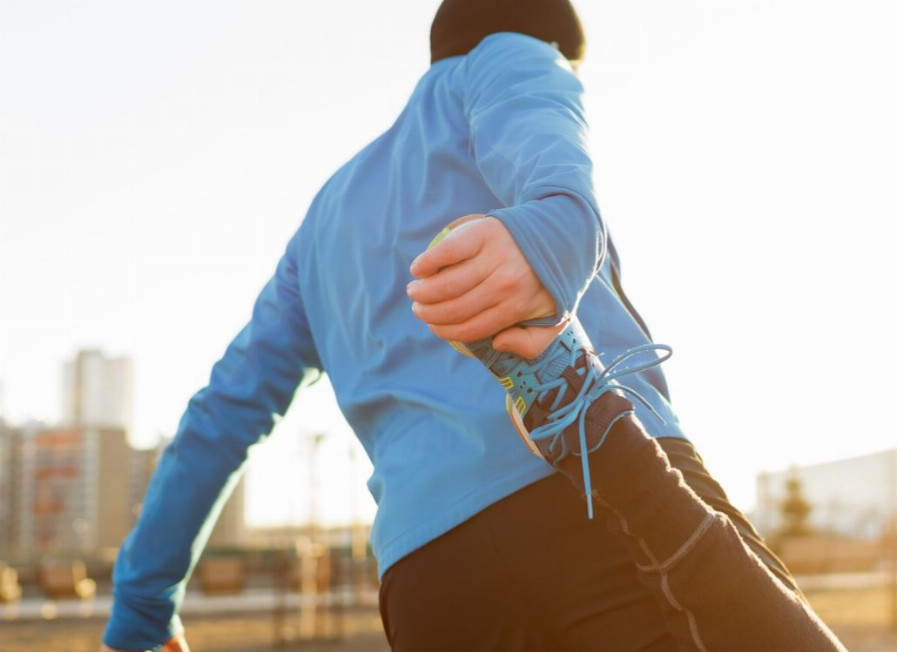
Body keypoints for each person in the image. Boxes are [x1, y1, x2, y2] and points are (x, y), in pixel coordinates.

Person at [101, 1, 843, 650]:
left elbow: (223, 416)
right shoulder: (512, 56)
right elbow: (553, 169)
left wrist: (141, 607)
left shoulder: (321, 224)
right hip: (600, 498)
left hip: (432, 583)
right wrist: (550, 231)